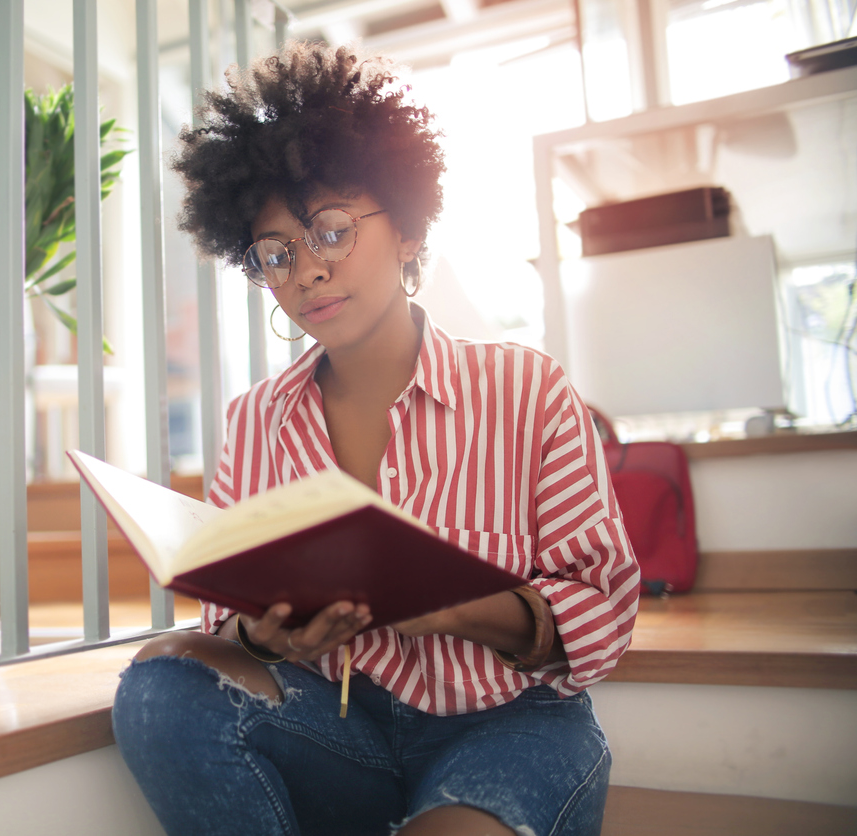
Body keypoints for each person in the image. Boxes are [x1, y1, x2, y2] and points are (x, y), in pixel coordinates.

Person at [112, 41, 639, 836]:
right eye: (277, 254)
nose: (307, 272)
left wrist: (459, 606)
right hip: (342, 731)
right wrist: (264, 632)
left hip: (507, 724)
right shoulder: (256, 421)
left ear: (406, 228)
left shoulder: (524, 388)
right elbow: (230, 626)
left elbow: (605, 610)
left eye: (330, 230)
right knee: (155, 686)